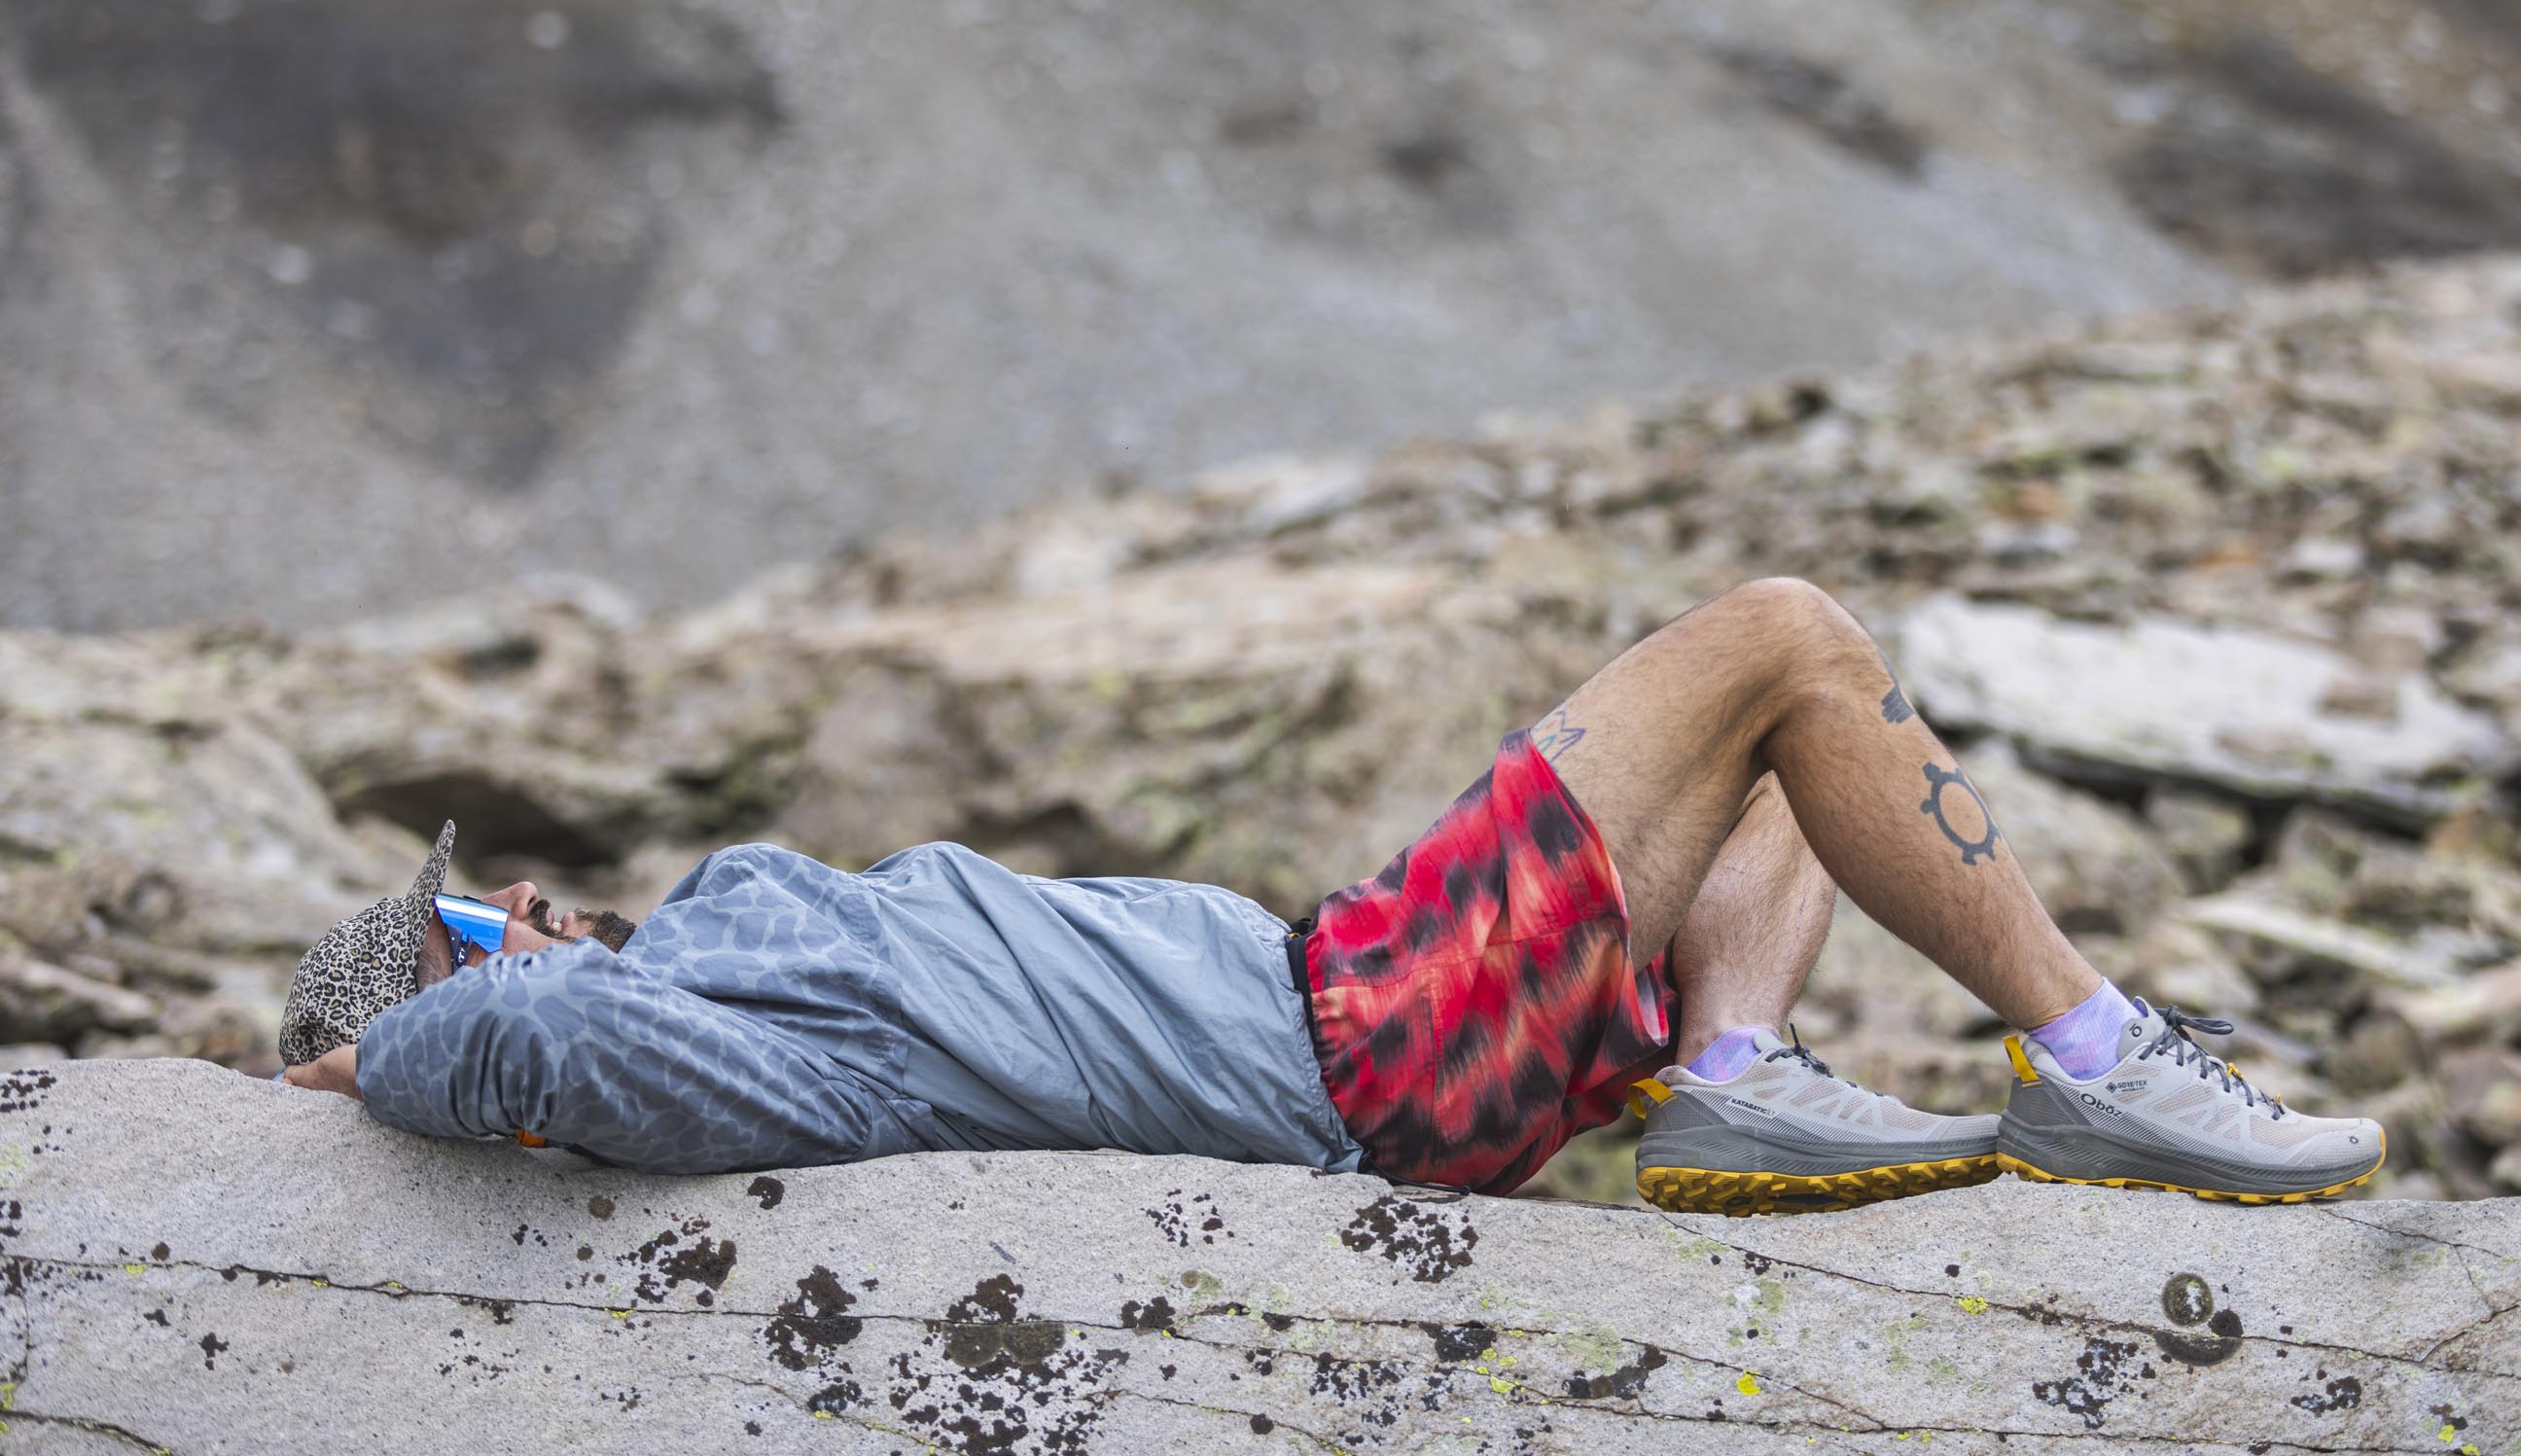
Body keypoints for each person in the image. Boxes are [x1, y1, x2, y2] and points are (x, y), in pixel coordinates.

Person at [279, 579, 2384, 1209]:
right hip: (1367, 1042)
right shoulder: (701, 1035)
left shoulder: (727, 967)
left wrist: (431, 995)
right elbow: (549, 1043)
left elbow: (551, 1016)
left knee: (1772, 765)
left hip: (1362, 1004)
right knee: (1785, 639)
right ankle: (2100, 1059)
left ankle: (1731, 1075)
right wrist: (381, 1050)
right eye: (473, 920)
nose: (523, 900)